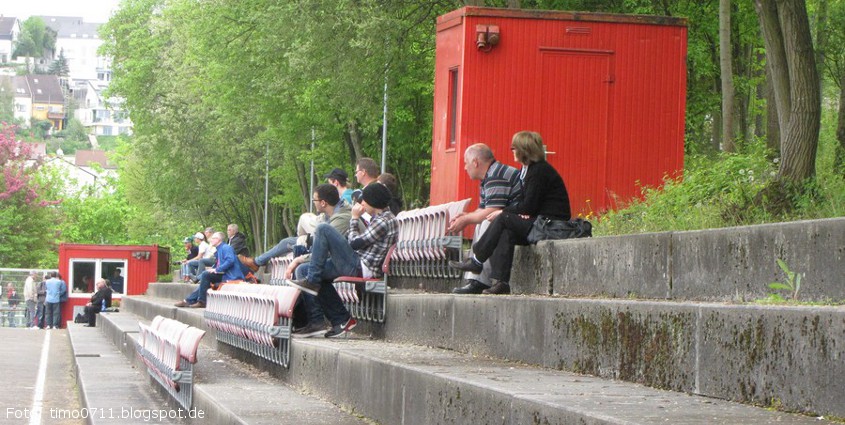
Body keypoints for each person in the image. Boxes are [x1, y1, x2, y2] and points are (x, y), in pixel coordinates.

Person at [450, 131, 571, 294]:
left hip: (550, 224)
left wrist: (504, 211)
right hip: (539, 221)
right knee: (506, 230)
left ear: (523, 150)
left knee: (503, 218)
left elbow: (528, 205)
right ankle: (501, 283)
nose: (512, 151)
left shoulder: (539, 171)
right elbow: (526, 204)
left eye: (513, 148)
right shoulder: (528, 170)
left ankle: (477, 261)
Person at [287, 183, 398, 338]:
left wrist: (354, 218)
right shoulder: (380, 218)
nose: (362, 204)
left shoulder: (383, 221)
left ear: (374, 201)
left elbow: (354, 243)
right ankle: (339, 320)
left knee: (323, 229)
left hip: (362, 267)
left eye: (364, 201)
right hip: (357, 262)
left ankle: (312, 281)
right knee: (303, 270)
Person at [448, 143, 522, 294]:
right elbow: (484, 208)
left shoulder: (496, 176)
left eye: (466, 163)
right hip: (510, 219)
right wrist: (467, 216)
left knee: (487, 222)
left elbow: (492, 210)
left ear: (475, 162)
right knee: (482, 222)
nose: (465, 167)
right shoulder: (490, 175)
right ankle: (477, 279)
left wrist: (467, 219)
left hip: (519, 221)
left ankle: (479, 280)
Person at [242, 184, 352, 270]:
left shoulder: (341, 218)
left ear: (323, 203)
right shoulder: (330, 213)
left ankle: (257, 262)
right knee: (287, 242)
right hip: (325, 251)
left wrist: (301, 259)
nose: (313, 203)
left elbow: (326, 249)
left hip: (340, 262)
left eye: (314, 200)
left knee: (301, 269)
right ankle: (257, 262)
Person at [175, 231, 244, 308]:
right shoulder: (219, 249)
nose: (211, 240)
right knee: (205, 277)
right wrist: (213, 269)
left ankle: (199, 301)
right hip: (224, 274)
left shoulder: (226, 248)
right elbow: (219, 264)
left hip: (230, 276)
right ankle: (190, 300)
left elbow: (230, 260)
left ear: (218, 239)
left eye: (213, 238)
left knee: (205, 275)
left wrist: (217, 270)